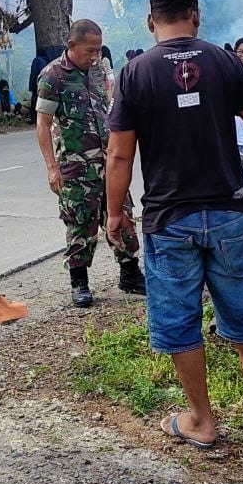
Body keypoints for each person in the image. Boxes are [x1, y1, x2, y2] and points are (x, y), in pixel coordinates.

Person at [105, 0, 243, 449]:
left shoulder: (134, 73)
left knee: (180, 317)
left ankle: (202, 422)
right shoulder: (224, 61)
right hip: (227, 213)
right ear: (196, 15)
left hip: (169, 219)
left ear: (151, 21)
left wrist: (114, 212)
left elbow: (119, 155)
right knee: (241, 305)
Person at [35, 19, 146, 307]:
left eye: (98, 49)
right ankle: (79, 282)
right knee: (80, 222)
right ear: (72, 45)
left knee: (122, 214)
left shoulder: (98, 71)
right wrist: (52, 167)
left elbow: (110, 107)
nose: (95, 56)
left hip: (109, 161)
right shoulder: (52, 76)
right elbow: (43, 124)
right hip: (76, 166)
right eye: (90, 50)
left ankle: (130, 275)